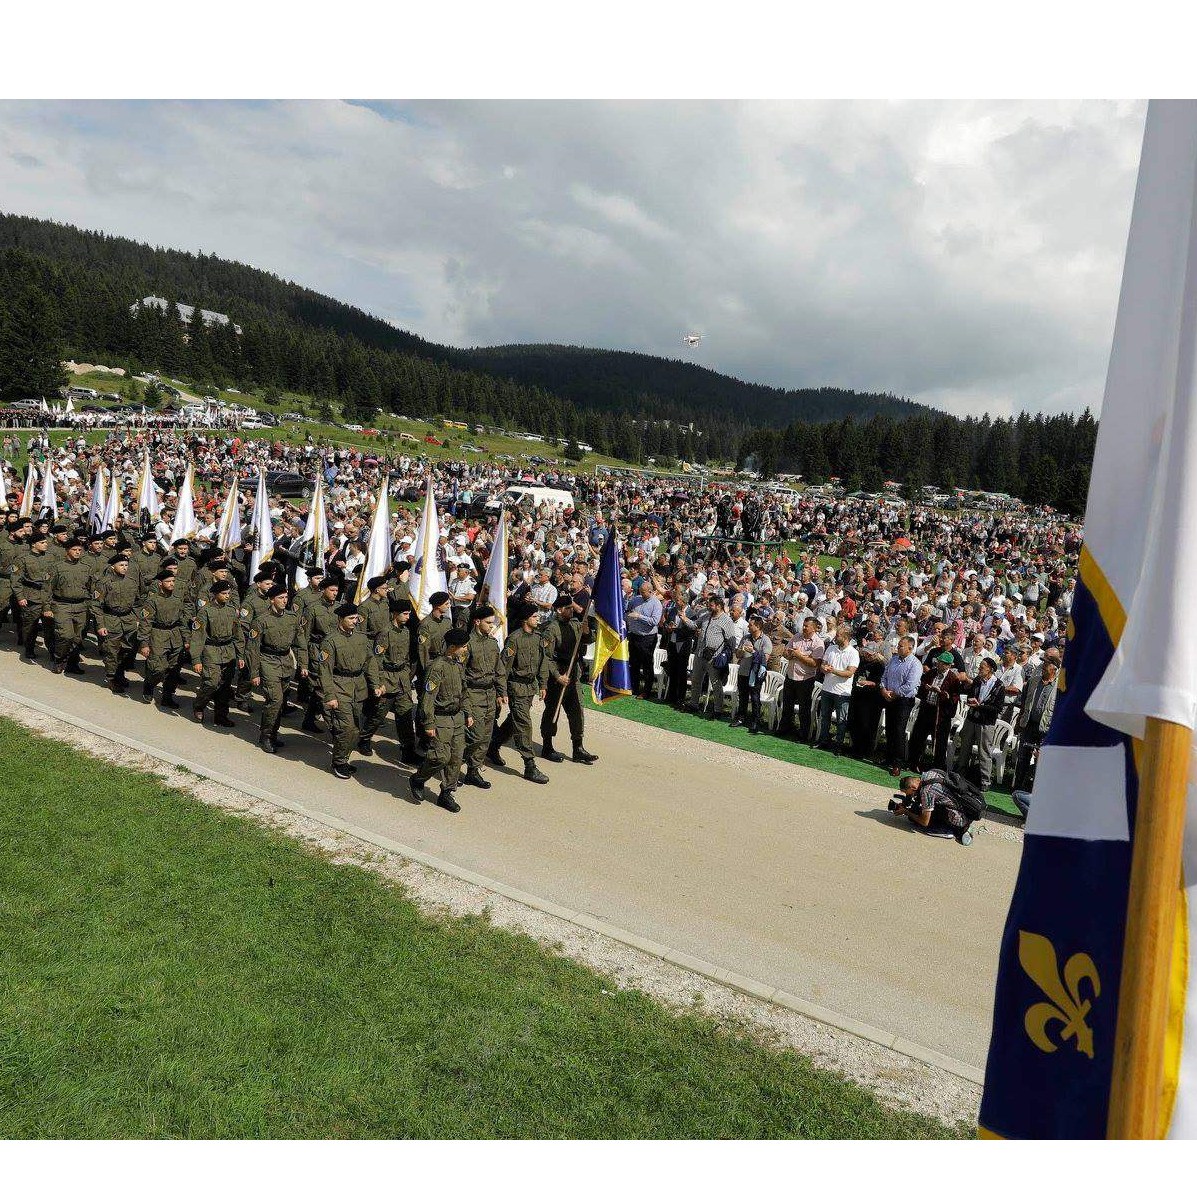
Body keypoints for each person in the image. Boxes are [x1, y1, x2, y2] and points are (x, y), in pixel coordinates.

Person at [319, 602, 384, 780]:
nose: (355, 621)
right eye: (351, 618)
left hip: (359, 688)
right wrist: (330, 696)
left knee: (356, 729)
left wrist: (375, 685)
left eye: (356, 618)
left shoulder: (362, 639)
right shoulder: (330, 641)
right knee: (347, 728)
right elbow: (325, 671)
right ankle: (339, 762)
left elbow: (370, 663)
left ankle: (344, 758)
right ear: (341, 619)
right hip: (340, 686)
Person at [410, 627, 472, 812]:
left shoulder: (458, 665)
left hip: (457, 717)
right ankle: (418, 779)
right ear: (453, 647)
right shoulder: (436, 667)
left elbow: (464, 692)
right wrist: (428, 723)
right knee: (440, 757)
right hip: (441, 718)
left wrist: (467, 713)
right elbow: (427, 698)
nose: (466, 650)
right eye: (463, 647)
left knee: (456, 757)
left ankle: (447, 793)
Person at [488, 600, 550, 784]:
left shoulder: (538, 638)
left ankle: (494, 745)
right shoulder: (514, 639)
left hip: (530, 687)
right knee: (524, 723)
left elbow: (543, 662)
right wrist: (501, 690)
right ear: (525, 619)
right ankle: (529, 764)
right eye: (534, 616)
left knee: (514, 721)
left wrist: (543, 684)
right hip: (516, 687)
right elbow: (503, 667)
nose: (537, 619)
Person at [356, 596, 419, 765]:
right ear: (395, 614)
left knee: (405, 716)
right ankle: (364, 738)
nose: (408, 617)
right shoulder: (385, 632)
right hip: (387, 679)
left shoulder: (406, 632)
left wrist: (406, 675)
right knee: (378, 714)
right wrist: (379, 683)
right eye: (405, 614)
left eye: (408, 614)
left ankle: (408, 750)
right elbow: (377, 660)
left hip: (401, 680)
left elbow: (406, 658)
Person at [540, 592, 598, 763]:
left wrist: (587, 630)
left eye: (572, 608)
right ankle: (547, 746)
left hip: (573, 673)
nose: (571, 612)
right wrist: (557, 676)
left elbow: (587, 639)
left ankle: (578, 748)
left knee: (577, 712)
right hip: (557, 675)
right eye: (568, 609)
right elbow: (547, 657)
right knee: (553, 712)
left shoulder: (575, 624)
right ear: (559, 610)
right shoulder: (551, 629)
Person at [245, 582, 302, 754]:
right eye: (280, 598)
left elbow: (300, 643)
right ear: (271, 600)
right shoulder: (260, 621)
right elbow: (252, 649)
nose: (284, 601)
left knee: (281, 701)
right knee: (275, 700)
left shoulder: (292, 618)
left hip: (285, 662)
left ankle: (274, 733)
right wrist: (254, 673)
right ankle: (266, 736)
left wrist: (303, 664)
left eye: (286, 598)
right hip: (267, 661)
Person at [461, 604, 507, 789]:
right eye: (488, 622)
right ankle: (454, 761)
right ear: (477, 622)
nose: (491, 626)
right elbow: (461, 673)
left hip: (490, 694)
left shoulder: (492, 643)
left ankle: (473, 771)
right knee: (475, 735)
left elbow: (499, 670)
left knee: (486, 736)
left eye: (492, 622)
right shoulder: (468, 644)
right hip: (473, 693)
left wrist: (501, 691)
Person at [189, 577, 245, 726]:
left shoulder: (232, 611)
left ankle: (221, 716)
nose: (227, 596)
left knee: (225, 686)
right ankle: (199, 705)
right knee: (211, 682)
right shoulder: (205, 611)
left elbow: (238, 635)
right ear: (215, 594)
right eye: (224, 593)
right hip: (211, 650)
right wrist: (196, 659)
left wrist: (240, 656)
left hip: (228, 651)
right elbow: (197, 637)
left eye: (229, 593)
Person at [136, 568, 189, 709]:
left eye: (173, 581)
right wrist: (144, 643)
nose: (172, 584)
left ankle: (167, 696)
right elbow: (145, 623)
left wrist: (187, 639)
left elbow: (182, 621)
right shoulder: (152, 601)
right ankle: (149, 685)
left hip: (175, 636)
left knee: (174, 670)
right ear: (160, 583)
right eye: (168, 581)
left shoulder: (178, 600)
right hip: (158, 635)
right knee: (158, 668)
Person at [91, 552, 141, 693]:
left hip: (128, 620)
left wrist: (137, 618)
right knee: (111, 650)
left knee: (128, 649)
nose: (124, 567)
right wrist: (100, 625)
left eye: (126, 565)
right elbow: (96, 605)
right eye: (121, 565)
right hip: (111, 619)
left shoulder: (131, 581)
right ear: (113, 567)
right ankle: (112, 677)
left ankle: (120, 671)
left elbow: (138, 602)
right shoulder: (104, 583)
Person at [906, 650, 965, 771]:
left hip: (941, 715)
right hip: (926, 710)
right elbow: (921, 686)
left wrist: (942, 694)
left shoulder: (953, 679)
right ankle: (913, 763)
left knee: (939, 744)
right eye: (938, 662)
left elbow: (954, 699)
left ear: (948, 665)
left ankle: (937, 769)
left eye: (942, 663)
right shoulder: (931, 673)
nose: (938, 665)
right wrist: (926, 688)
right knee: (917, 737)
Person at [890, 769, 980, 845]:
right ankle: (962, 826)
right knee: (919, 809)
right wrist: (905, 804)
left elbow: (924, 821)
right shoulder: (929, 774)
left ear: (913, 788)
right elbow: (917, 794)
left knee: (916, 818)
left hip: (959, 819)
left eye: (906, 792)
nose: (907, 795)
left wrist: (906, 812)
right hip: (965, 811)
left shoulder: (927, 791)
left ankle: (948, 830)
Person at [955, 656, 1005, 788]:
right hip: (971, 719)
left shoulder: (999, 686)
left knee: (984, 752)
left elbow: (997, 708)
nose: (979, 669)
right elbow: (970, 694)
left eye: (982, 667)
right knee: (965, 748)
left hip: (986, 723)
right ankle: (960, 774)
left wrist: (980, 706)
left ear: (990, 669)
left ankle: (985, 781)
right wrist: (971, 701)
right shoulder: (977, 681)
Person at [687, 594, 738, 718]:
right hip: (700, 654)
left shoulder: (727, 620)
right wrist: (684, 618)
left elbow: (731, 641)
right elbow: (694, 625)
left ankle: (717, 710)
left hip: (714, 657)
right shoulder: (706, 616)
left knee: (716, 684)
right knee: (696, 680)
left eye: (711, 605)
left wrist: (724, 655)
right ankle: (694, 704)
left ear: (719, 606)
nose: (708, 607)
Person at [45, 537, 92, 674]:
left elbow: (91, 588)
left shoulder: (86, 568)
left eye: (80, 550)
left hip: (81, 606)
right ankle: (59, 659)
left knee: (77, 638)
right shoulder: (57, 567)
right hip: (62, 605)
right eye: (74, 550)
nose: (78, 552)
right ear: (67, 551)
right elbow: (47, 589)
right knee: (65, 635)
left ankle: (72, 663)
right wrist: (47, 608)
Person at [1013, 653, 1058, 793]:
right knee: (1022, 758)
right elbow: (1025, 702)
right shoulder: (1033, 681)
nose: (1043, 666)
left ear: (1054, 668)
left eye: (1046, 664)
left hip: (1046, 729)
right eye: (1043, 663)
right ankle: (1018, 788)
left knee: (1041, 762)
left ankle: (1035, 791)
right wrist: (1019, 721)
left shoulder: (1060, 686)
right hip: (1029, 726)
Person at [878, 634, 922, 775]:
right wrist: (883, 689)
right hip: (889, 697)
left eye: (901, 646)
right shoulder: (894, 659)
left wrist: (894, 693)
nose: (898, 648)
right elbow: (884, 676)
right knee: (890, 729)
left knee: (898, 730)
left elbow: (910, 685)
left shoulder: (915, 664)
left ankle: (898, 763)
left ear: (910, 648)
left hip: (903, 700)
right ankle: (889, 757)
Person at [778, 616, 824, 741]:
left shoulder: (818, 643)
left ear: (814, 628)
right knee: (787, 706)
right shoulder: (796, 636)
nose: (803, 628)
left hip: (805, 679)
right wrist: (789, 654)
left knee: (804, 709)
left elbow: (815, 663)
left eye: (806, 626)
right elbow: (785, 652)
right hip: (791, 676)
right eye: (803, 625)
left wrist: (799, 655)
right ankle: (784, 728)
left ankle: (803, 734)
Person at [815, 625, 859, 753]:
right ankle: (823, 740)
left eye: (838, 635)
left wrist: (832, 670)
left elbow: (849, 673)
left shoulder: (853, 653)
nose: (835, 637)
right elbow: (823, 664)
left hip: (842, 692)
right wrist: (824, 668)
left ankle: (838, 745)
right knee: (825, 717)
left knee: (841, 720)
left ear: (846, 637)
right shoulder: (831, 648)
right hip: (827, 688)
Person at [729, 613, 772, 733]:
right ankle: (741, 718)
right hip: (743, 671)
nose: (748, 626)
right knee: (742, 696)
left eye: (751, 625)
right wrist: (741, 651)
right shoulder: (746, 638)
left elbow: (765, 659)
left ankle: (755, 721)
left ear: (758, 626)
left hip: (756, 674)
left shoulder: (766, 640)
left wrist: (753, 651)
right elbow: (738, 655)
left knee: (755, 698)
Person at [624, 579, 662, 698]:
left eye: (644, 592)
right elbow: (627, 609)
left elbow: (655, 621)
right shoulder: (636, 599)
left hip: (647, 638)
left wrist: (639, 616)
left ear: (650, 591)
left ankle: (646, 691)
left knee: (646, 665)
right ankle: (633, 688)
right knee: (633, 663)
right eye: (640, 591)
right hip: (634, 635)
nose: (642, 594)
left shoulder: (656, 604)